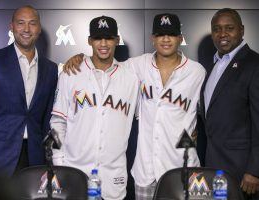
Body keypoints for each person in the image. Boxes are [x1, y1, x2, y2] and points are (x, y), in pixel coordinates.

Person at [63, 13, 206, 199]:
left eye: (171, 34)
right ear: (152, 38)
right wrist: (81, 57)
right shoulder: (136, 66)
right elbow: (104, 63)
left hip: (185, 166)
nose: (165, 39)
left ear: (180, 38)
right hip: (145, 171)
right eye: (160, 34)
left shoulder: (197, 72)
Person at [50, 15, 139, 200]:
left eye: (109, 38)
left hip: (113, 176)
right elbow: (58, 122)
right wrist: (59, 163)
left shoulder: (131, 78)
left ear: (117, 40)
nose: (103, 44)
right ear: (89, 41)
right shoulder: (71, 73)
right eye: (98, 38)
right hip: (75, 170)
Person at [197, 8, 259, 199]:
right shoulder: (214, 64)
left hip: (242, 171)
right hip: (213, 165)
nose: (222, 34)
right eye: (217, 29)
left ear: (241, 30)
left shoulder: (254, 64)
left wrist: (255, 170)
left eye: (229, 28)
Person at [0, 5, 58, 176]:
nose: (26, 29)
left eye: (32, 23)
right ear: (11, 27)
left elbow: (48, 117)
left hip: (35, 157)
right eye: (21, 23)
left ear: (39, 28)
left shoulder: (50, 69)